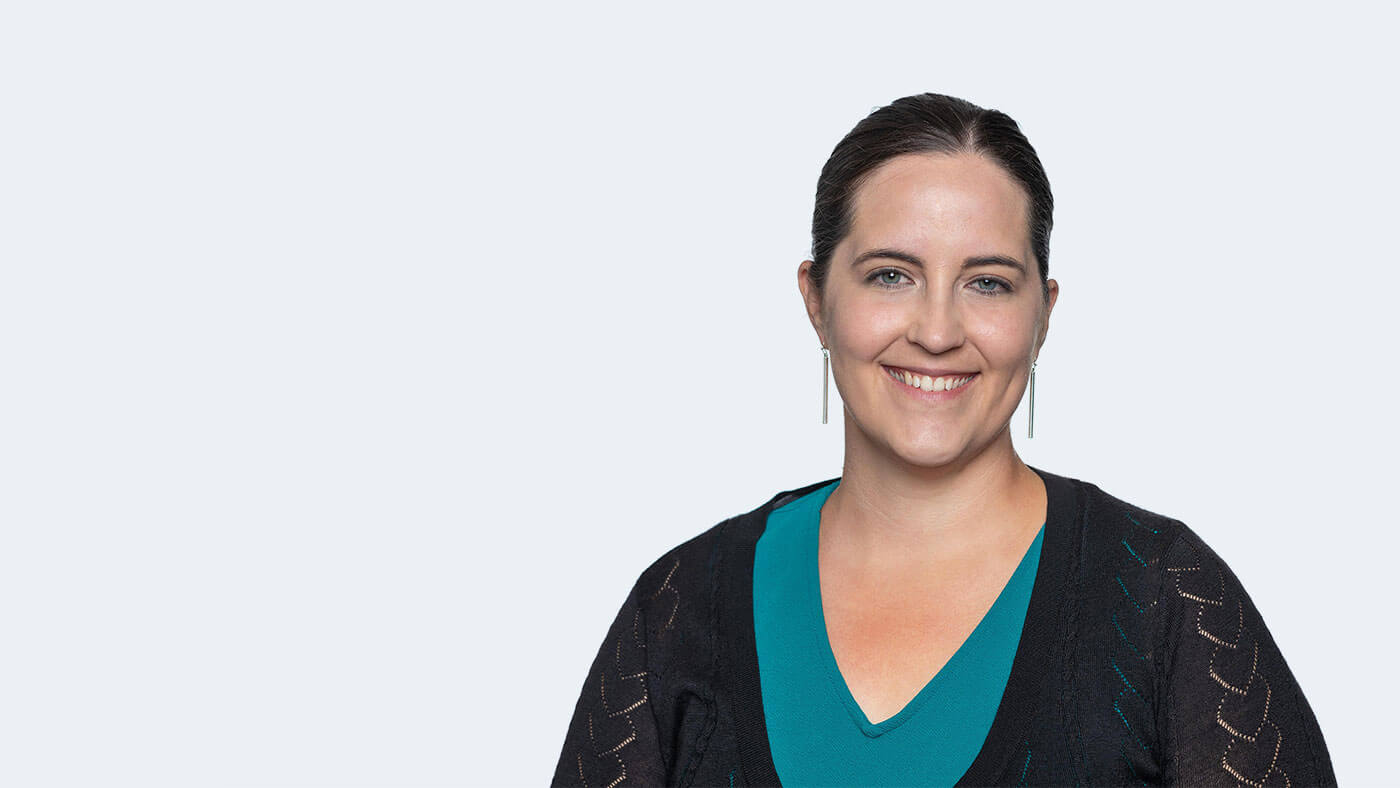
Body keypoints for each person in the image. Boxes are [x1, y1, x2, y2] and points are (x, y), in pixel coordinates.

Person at [552, 93, 1335, 787]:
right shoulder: (679, 608)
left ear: (1043, 315)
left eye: (987, 282)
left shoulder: (1166, 598)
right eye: (890, 275)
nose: (935, 331)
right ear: (817, 301)